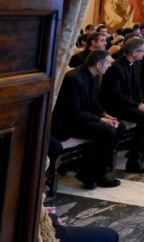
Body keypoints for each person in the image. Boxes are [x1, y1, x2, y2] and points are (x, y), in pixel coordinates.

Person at [51, 50, 124, 189]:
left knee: (119, 126)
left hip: (82, 119)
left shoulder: (95, 75)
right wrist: (101, 121)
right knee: (107, 131)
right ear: (98, 64)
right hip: (68, 123)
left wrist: (104, 114)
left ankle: (93, 171)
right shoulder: (73, 79)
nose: (110, 66)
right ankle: (95, 172)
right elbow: (75, 112)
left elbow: (93, 101)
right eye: (108, 63)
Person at [100, 37, 144, 167]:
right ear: (134, 53)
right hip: (115, 106)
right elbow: (116, 95)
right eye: (143, 51)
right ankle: (134, 160)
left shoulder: (137, 64)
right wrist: (137, 105)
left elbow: (138, 88)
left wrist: (142, 103)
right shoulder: (116, 68)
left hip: (130, 103)